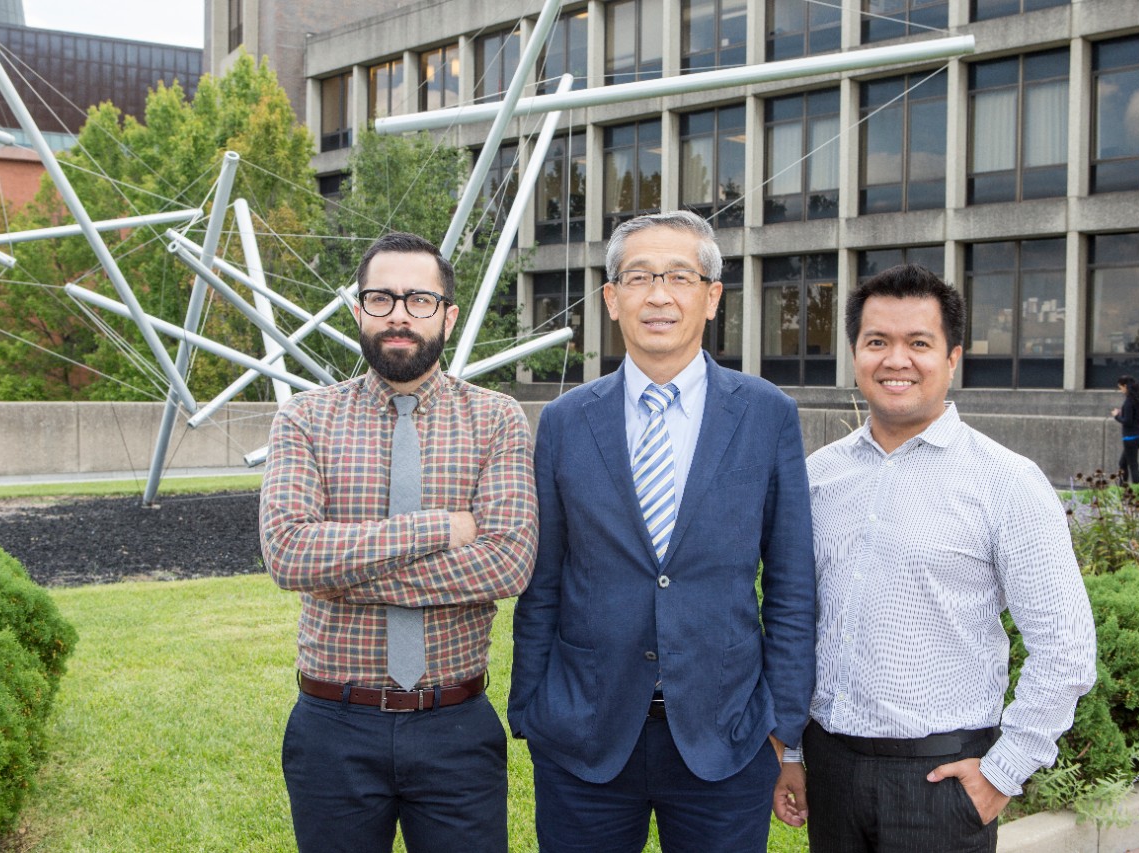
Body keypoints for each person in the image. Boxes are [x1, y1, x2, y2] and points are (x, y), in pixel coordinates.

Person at [508, 210, 815, 853]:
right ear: (611, 298)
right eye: (639, 276)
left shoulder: (766, 415)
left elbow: (791, 584)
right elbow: (544, 578)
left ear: (711, 297)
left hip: (725, 736)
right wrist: (532, 706)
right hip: (584, 734)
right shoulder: (565, 422)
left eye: (680, 275)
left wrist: (785, 728)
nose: (659, 294)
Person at [789, 264, 1097, 853]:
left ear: (952, 358)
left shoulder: (1006, 482)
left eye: (919, 343)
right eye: (877, 342)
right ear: (855, 354)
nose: (896, 360)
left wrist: (1004, 772)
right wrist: (796, 752)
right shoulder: (818, 477)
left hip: (940, 780)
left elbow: (1065, 647)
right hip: (831, 768)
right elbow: (801, 623)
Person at [259, 232, 538, 853]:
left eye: (419, 299)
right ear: (358, 311)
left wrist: (341, 572)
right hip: (333, 727)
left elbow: (508, 563)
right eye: (381, 299)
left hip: (456, 727)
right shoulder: (305, 418)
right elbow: (288, 553)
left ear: (448, 314)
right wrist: (441, 528)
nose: (400, 316)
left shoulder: (496, 418)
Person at [1111, 374, 1139, 486]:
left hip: (1130, 437)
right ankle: (1123, 487)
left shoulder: (1128, 402)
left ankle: (1137, 490)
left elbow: (1127, 421)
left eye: (1121, 387)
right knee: (1123, 463)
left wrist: (1116, 415)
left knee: (1133, 465)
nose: (1121, 390)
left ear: (1125, 386)